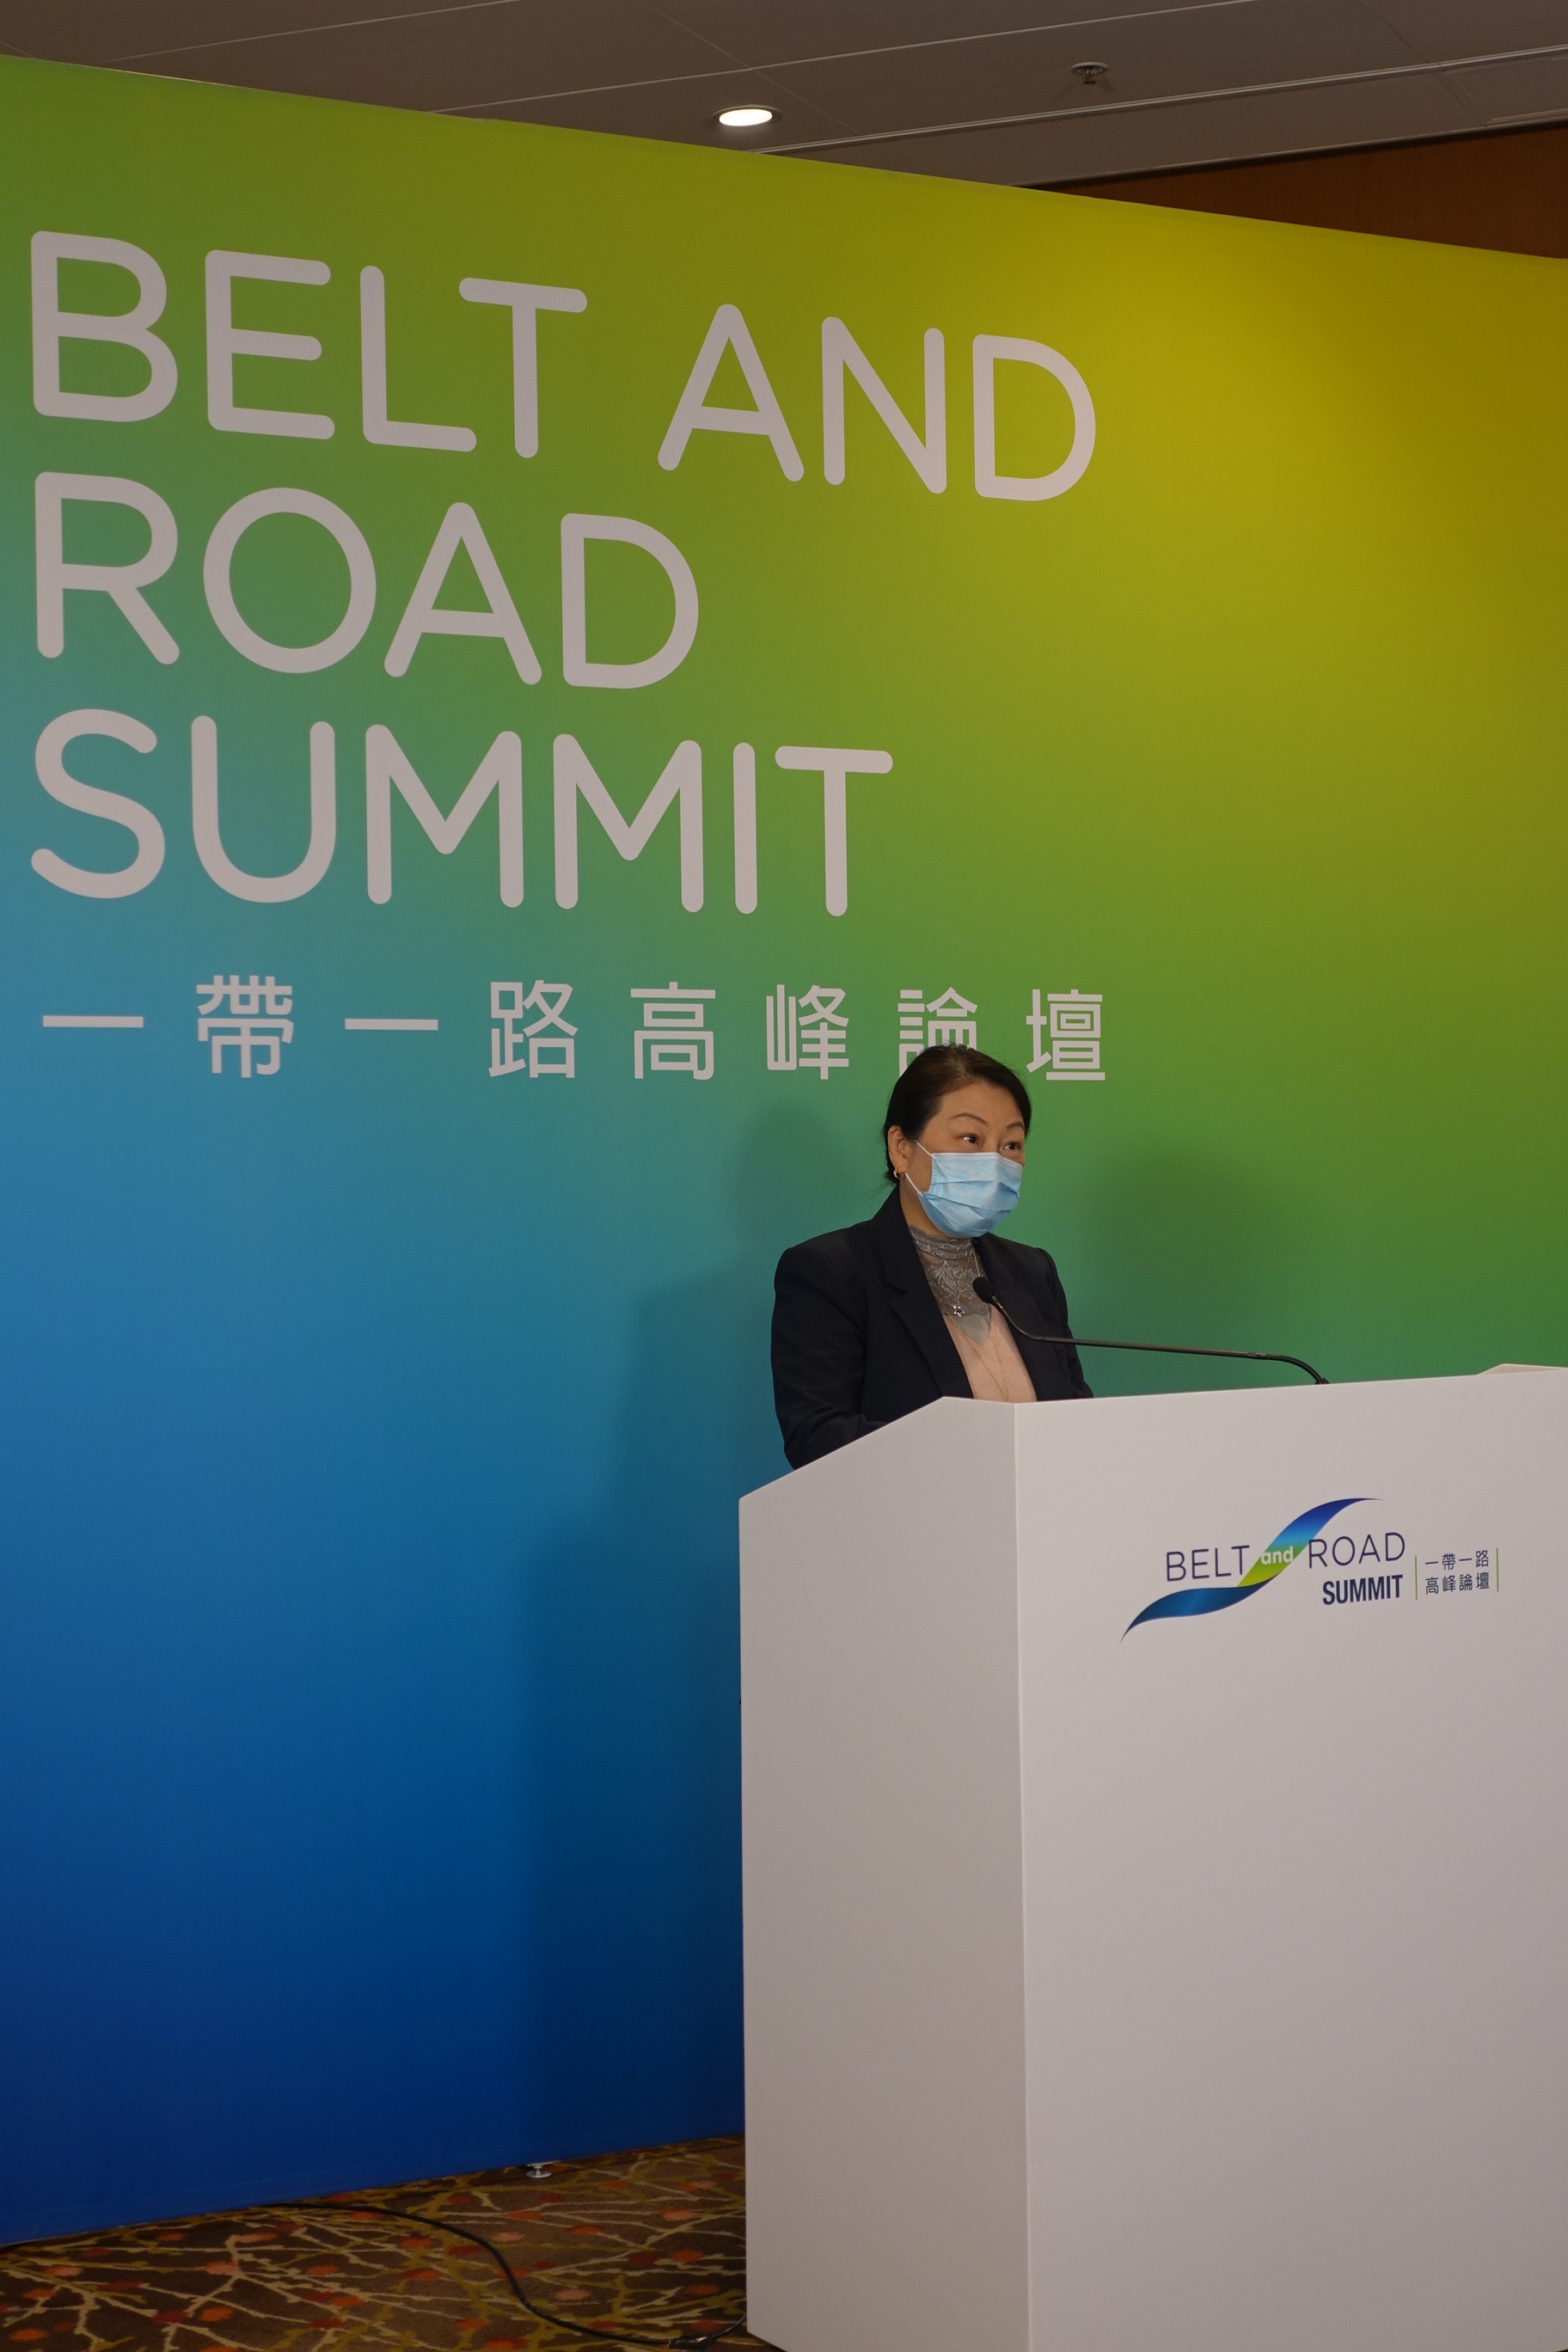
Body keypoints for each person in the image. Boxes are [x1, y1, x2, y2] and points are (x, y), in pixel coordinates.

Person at [771, 1044, 1091, 1468]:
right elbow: (817, 1436)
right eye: (971, 1139)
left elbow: (1076, 1417)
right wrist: (965, 1458)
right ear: (902, 1148)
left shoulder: (1033, 1272)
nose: (994, 1161)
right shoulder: (831, 1273)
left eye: (1011, 1144)